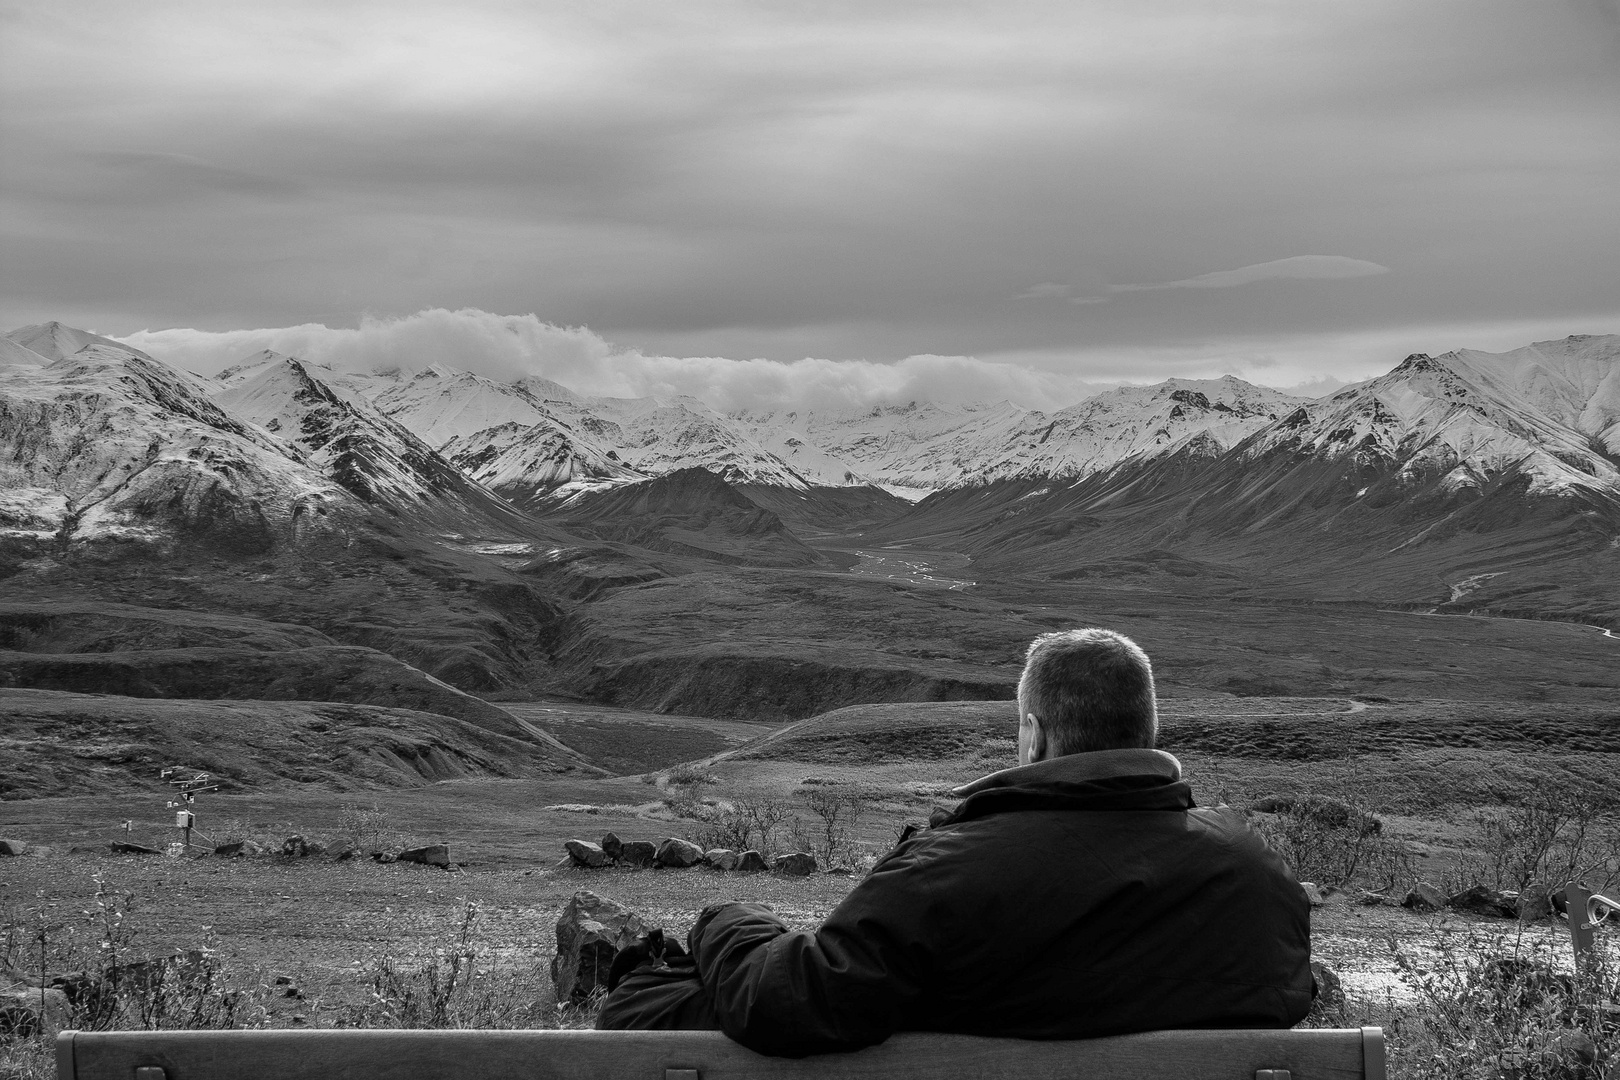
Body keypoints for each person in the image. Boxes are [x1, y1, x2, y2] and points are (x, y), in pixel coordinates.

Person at [598, 628, 1314, 1055]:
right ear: (1146, 731)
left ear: (1034, 733)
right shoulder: (1256, 871)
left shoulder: (953, 872)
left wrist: (724, 922)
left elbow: (798, 1002)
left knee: (649, 1004)